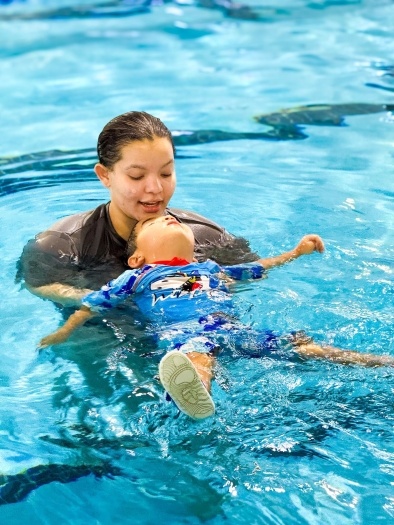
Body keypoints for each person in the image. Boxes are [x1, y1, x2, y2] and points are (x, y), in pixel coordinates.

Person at [39, 215, 394, 420]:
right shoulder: (137, 276)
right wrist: (63, 332)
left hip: (232, 328)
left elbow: (257, 268)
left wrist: (295, 253)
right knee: (195, 354)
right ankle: (196, 393)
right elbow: (93, 305)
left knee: (295, 344)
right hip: (183, 332)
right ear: (138, 256)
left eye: (172, 219)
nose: (169, 216)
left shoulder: (210, 268)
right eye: (156, 222)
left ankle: (372, 361)